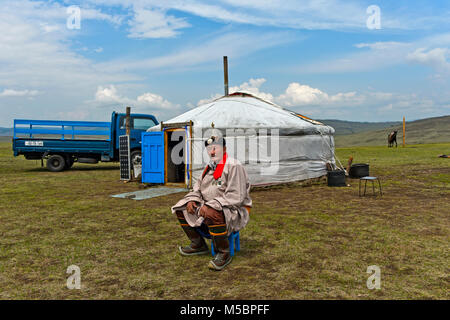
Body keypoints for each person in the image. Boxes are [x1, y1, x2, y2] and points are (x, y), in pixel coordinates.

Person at [172, 135, 252, 271]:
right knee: (182, 206)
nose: (212, 152)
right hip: (208, 206)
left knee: (211, 211)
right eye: (209, 149)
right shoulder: (209, 168)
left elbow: (236, 196)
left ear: (225, 149)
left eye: (215, 148)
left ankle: (224, 252)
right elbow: (197, 188)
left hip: (232, 209)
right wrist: (192, 199)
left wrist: (210, 205)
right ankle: (198, 244)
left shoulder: (233, 166)